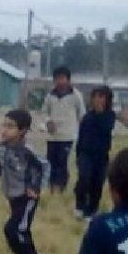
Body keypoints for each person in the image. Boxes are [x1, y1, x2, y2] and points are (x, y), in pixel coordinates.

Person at [0, 109, 47, 254]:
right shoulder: (1, 148)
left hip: (27, 197)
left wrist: (34, 187)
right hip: (12, 196)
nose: (4, 129)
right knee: (23, 230)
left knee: (12, 229)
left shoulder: (28, 151)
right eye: (4, 125)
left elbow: (42, 167)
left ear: (22, 130)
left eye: (10, 126)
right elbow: (0, 167)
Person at [74, 85, 117, 220]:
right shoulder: (87, 116)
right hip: (85, 154)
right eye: (95, 96)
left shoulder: (110, 116)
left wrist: (100, 112)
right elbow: (81, 136)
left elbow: (106, 128)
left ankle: (91, 210)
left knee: (97, 182)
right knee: (84, 178)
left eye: (101, 97)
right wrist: (78, 154)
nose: (97, 100)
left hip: (101, 155)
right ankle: (79, 205)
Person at [42, 66, 86, 194]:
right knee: (51, 161)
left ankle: (60, 187)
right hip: (52, 136)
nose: (60, 82)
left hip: (67, 136)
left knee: (62, 162)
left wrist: (81, 131)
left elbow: (82, 114)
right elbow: (44, 112)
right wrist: (48, 121)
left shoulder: (76, 95)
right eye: (57, 79)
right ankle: (51, 186)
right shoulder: (50, 95)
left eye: (62, 78)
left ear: (68, 79)